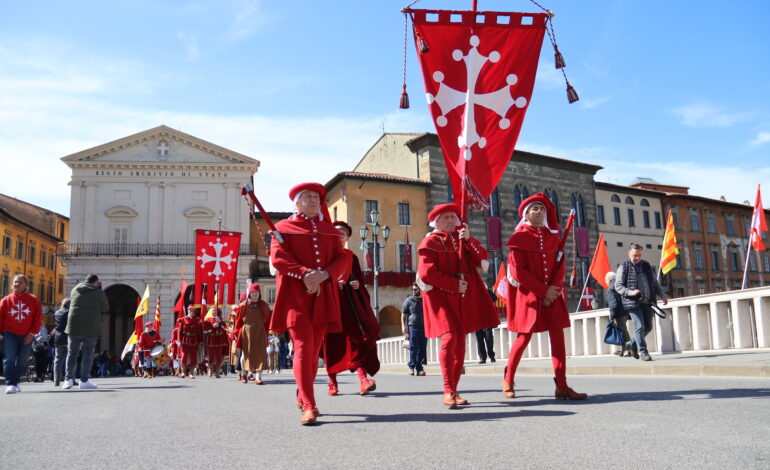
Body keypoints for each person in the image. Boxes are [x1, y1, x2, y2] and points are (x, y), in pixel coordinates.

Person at [269, 182, 348, 425]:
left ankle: (302, 394)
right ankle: (310, 406)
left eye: (317, 197)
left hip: (323, 296)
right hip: (296, 297)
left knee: (314, 354)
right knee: (303, 348)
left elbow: (342, 258)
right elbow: (279, 258)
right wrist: (305, 274)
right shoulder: (282, 228)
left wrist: (323, 274)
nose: (314, 201)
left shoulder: (330, 231)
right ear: (297, 201)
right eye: (308, 197)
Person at [504, 194, 587, 400]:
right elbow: (518, 271)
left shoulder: (553, 236)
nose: (539, 212)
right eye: (535, 209)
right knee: (523, 338)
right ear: (526, 214)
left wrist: (555, 289)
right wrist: (543, 290)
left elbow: (560, 266)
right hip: (529, 295)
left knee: (558, 339)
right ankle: (508, 379)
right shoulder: (518, 237)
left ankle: (562, 385)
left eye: (542, 209)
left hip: (553, 295)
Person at [417, 203, 500, 408]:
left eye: (453, 217)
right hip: (441, 297)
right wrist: (454, 284)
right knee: (450, 338)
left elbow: (482, 258)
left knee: (460, 342)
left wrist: (469, 239)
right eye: (445, 217)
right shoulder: (430, 241)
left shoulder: (464, 238)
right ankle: (447, 389)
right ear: (436, 221)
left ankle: (454, 389)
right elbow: (427, 273)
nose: (450, 220)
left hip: (464, 296)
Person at [323, 221, 381, 397]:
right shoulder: (326, 254)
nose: (341, 236)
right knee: (330, 343)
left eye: (344, 234)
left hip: (349, 304)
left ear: (347, 238)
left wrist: (356, 284)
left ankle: (363, 380)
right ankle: (332, 383)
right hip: (330, 303)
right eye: (337, 233)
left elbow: (358, 280)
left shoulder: (351, 256)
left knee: (356, 341)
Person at [614, 243, 668, 361]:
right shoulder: (624, 266)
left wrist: (662, 295)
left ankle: (631, 344)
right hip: (632, 303)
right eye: (634, 255)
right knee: (639, 326)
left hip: (647, 301)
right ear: (629, 254)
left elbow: (654, 282)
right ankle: (644, 352)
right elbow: (618, 286)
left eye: (639, 255)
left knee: (648, 327)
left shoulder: (646, 265)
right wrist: (630, 292)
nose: (637, 258)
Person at [62, 274, 110, 390]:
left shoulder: (75, 289)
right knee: (87, 353)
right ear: (96, 282)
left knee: (72, 353)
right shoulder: (98, 292)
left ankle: (68, 380)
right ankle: (84, 380)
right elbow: (105, 308)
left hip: (74, 325)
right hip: (90, 326)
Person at [0, 274, 42, 394]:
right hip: (9, 333)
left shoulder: (33, 300)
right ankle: (11, 383)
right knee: (9, 358)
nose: (17, 284)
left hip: (27, 334)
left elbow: (37, 319)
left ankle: (16, 381)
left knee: (23, 359)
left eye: (20, 282)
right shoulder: (6, 300)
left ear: (26, 285)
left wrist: (31, 334)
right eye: (15, 282)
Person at [234, 284, 271, 385]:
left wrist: (266, 333)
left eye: (256, 293)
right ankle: (244, 373)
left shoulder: (264, 305)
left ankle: (258, 376)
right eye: (253, 292)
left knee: (260, 354)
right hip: (246, 331)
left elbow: (267, 321)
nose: (255, 294)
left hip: (260, 330)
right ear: (249, 294)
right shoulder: (243, 306)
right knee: (245, 354)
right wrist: (236, 333)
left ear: (259, 294)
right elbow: (238, 322)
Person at [401, 283, 427, 376]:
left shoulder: (425, 300)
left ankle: (419, 368)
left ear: (420, 289)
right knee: (413, 346)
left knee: (422, 347)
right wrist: (403, 327)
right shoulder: (408, 300)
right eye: (412, 289)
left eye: (415, 289)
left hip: (424, 327)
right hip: (412, 326)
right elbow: (403, 314)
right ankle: (411, 367)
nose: (413, 291)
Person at [606, 271, 631, 357]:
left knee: (623, 331)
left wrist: (611, 317)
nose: (606, 282)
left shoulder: (611, 288)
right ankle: (624, 350)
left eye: (605, 280)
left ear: (609, 279)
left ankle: (629, 350)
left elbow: (613, 304)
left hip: (619, 313)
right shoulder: (620, 285)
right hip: (626, 311)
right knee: (623, 331)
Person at [177, 305, 203, 378]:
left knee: (193, 357)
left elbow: (199, 331)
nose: (191, 312)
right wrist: (179, 340)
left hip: (194, 340)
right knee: (184, 356)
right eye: (189, 310)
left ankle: (191, 373)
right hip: (185, 339)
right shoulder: (183, 319)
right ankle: (183, 372)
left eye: (192, 311)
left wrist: (201, 341)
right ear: (187, 311)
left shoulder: (197, 320)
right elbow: (179, 331)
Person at [203, 309, 229, 378]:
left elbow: (225, 328)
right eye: (213, 310)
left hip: (219, 340)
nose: (214, 312)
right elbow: (205, 329)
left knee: (219, 355)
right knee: (211, 355)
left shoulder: (220, 319)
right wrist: (212, 326)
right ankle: (210, 370)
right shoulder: (208, 319)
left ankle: (217, 372)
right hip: (211, 339)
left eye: (216, 310)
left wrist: (220, 323)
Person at [51, 298, 71, 386]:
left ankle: (57, 380)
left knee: (58, 360)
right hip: (68, 337)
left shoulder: (57, 313)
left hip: (58, 337)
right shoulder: (69, 313)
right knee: (70, 358)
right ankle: (69, 379)